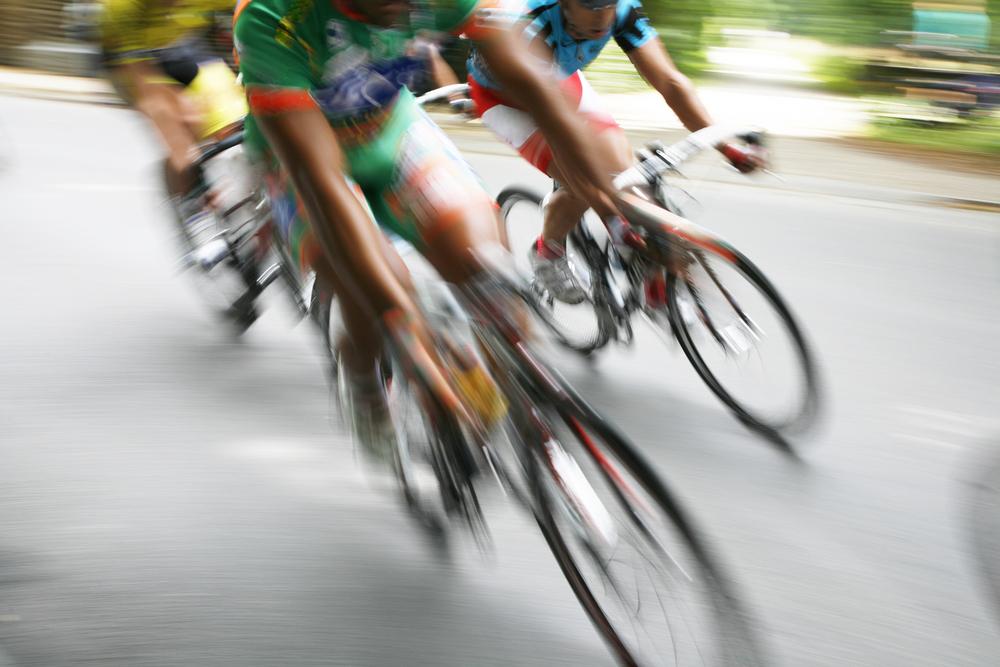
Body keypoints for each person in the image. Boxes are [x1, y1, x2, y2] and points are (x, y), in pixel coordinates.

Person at [232, 0, 621, 457]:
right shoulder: (270, 15)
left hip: (392, 132)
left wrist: (611, 204)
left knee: (483, 258)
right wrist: (402, 325)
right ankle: (363, 382)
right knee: (371, 296)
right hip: (305, 161)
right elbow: (322, 181)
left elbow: (536, 87)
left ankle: (520, 395)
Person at [466, 0, 764, 303]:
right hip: (506, 98)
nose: (603, 15)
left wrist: (725, 146)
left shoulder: (623, 11)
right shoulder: (529, 24)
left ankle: (648, 272)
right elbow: (560, 134)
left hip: (558, 79)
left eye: (610, 3)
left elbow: (671, 83)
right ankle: (548, 251)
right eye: (592, 6)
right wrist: (610, 217)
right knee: (584, 180)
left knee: (627, 177)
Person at [100, 0, 249, 269]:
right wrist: (183, 126)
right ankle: (195, 216)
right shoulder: (120, 7)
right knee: (177, 125)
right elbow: (147, 90)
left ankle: (238, 203)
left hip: (180, 46)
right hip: (131, 62)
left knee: (236, 121)